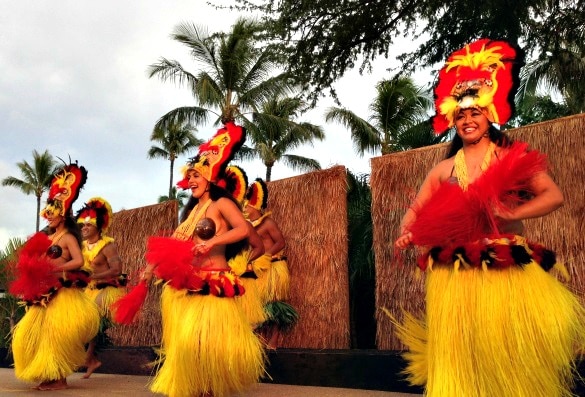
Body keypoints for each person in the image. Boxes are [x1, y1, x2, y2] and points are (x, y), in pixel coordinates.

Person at [393, 38, 585, 397]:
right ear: (453, 121)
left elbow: (553, 196)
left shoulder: (512, 158)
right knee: (465, 351)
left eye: (474, 113)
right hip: (459, 274)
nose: (468, 120)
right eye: (461, 115)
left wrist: (511, 211)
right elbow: (414, 211)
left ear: (489, 115)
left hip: (505, 268)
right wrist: (406, 233)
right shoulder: (444, 169)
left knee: (510, 347)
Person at [139, 122, 265, 397]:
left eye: (196, 175)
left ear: (210, 176)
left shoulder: (221, 204)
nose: (191, 180)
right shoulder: (192, 213)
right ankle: (203, 388)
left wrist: (212, 242)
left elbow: (243, 229)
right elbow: (173, 244)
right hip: (193, 285)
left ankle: (210, 388)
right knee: (188, 343)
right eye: (190, 176)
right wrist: (150, 268)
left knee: (205, 344)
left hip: (215, 285)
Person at [10, 162, 100, 391]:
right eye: (47, 212)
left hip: (61, 292)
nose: (48, 215)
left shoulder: (69, 236)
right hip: (45, 292)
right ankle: (48, 373)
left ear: (63, 213)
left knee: (55, 336)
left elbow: (79, 261)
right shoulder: (48, 237)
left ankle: (59, 378)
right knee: (33, 335)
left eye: (52, 212)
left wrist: (57, 269)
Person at [76, 197, 126, 379]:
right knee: (80, 322)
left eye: (88, 226)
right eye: (82, 226)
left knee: (91, 319)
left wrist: (93, 276)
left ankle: (89, 356)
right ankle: (91, 358)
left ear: (98, 226)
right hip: (88, 289)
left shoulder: (108, 246)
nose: (84, 229)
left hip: (106, 289)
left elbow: (117, 270)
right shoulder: (81, 247)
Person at [245, 178, 298, 350]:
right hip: (259, 270)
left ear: (256, 206)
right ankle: (258, 340)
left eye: (246, 206)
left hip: (274, 267)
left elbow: (281, 243)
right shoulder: (247, 227)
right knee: (258, 304)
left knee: (274, 305)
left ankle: (273, 341)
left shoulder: (268, 223)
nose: (244, 209)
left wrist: (265, 257)